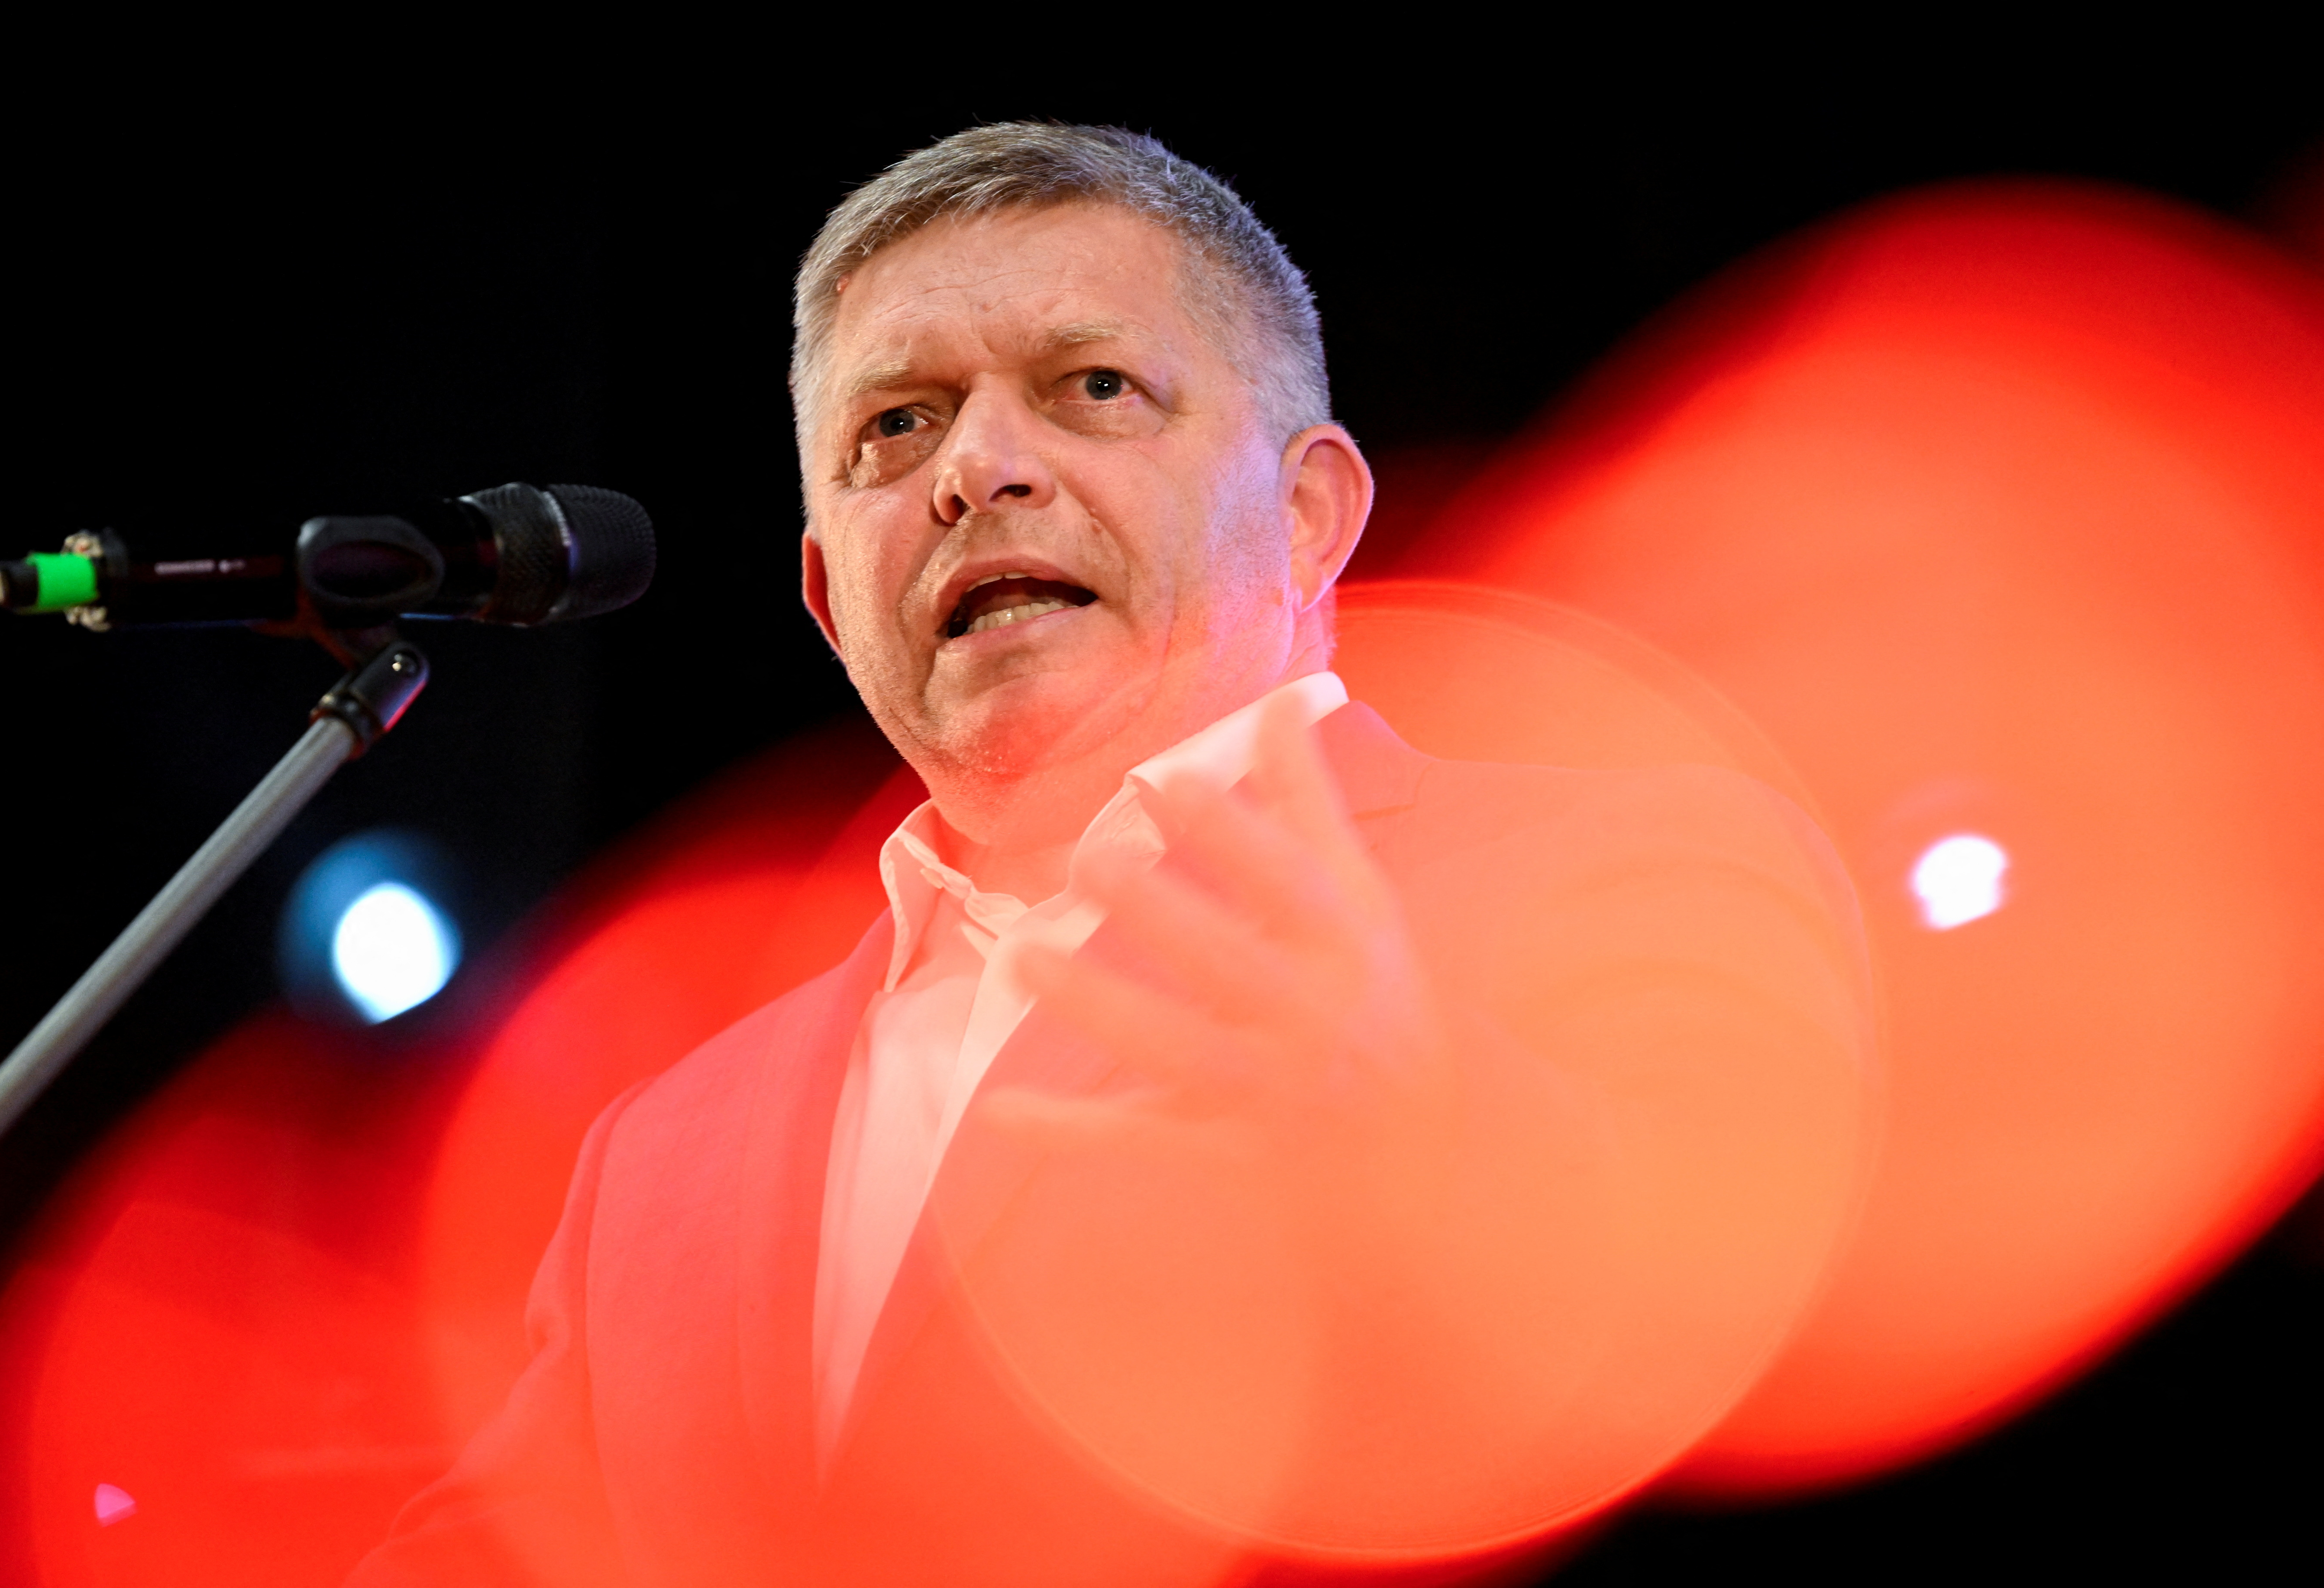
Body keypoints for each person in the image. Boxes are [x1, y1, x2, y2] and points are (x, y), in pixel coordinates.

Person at [351, 123, 1873, 1588]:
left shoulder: (1640, 874)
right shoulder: (658, 1152)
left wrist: (1408, 1122)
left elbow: (1758, 1371)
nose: (978, 468)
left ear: (1309, 513)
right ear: (827, 596)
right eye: (898, 424)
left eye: (1092, 386)